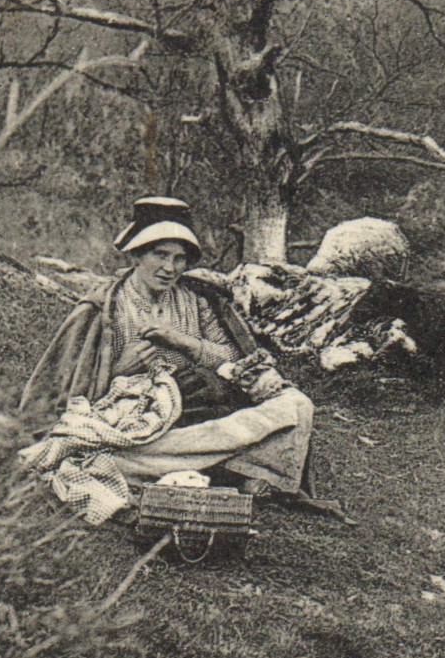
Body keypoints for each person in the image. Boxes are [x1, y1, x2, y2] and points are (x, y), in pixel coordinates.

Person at [20, 197, 317, 499]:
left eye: (179, 259)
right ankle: (227, 467)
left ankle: (197, 465)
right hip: (141, 423)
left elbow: (233, 358)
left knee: (295, 405)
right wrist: (121, 369)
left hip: (201, 412)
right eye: (160, 255)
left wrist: (185, 342)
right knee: (99, 451)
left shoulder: (196, 300)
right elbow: (73, 394)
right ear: (136, 255)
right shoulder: (106, 308)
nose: (169, 268)